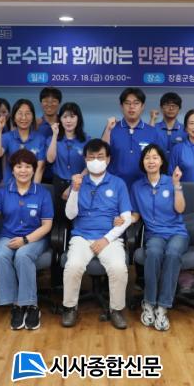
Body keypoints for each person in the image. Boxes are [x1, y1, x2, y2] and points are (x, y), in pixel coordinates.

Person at [62, 139, 132, 330]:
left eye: (100, 157)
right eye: (91, 157)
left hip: (109, 238)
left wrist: (106, 239)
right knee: (73, 265)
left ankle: (116, 310)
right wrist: (75, 190)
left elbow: (126, 218)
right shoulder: (78, 182)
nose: (95, 161)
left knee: (118, 267)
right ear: (85, 160)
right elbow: (70, 215)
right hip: (81, 236)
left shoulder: (118, 183)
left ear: (108, 159)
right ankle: (70, 308)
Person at [0, 149, 53, 330]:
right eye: (19, 167)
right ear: (12, 170)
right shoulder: (3, 192)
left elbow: (46, 226)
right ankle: (16, 305)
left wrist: (25, 240)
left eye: (28, 167)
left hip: (35, 238)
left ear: (34, 170)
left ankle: (31, 305)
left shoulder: (43, 193)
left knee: (22, 255)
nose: (23, 170)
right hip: (8, 236)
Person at [130, 144, 188, 331]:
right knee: (153, 252)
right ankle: (149, 303)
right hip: (154, 233)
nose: (151, 161)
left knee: (172, 253)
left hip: (177, 232)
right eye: (147, 157)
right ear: (142, 162)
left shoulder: (171, 181)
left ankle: (163, 307)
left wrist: (177, 186)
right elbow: (136, 214)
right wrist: (125, 220)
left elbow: (180, 209)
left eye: (155, 157)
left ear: (162, 161)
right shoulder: (137, 186)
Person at [102, 87, 164, 187]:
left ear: (142, 106)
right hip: (114, 186)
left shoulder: (152, 132)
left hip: (144, 187)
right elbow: (102, 155)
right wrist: (108, 130)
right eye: (127, 103)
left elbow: (159, 161)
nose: (131, 107)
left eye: (136, 103)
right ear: (121, 106)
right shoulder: (112, 128)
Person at [46, 102, 90, 219]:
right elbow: (50, 159)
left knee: (77, 219)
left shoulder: (86, 140)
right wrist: (55, 135)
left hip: (79, 184)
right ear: (60, 120)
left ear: (78, 119)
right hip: (58, 184)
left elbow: (89, 166)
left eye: (72, 116)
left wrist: (72, 186)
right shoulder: (52, 139)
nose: (68, 121)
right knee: (59, 221)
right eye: (65, 117)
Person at [0, 99, 46, 183]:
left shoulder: (40, 139)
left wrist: (34, 189)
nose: (24, 117)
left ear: (33, 117)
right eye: (20, 113)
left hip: (31, 186)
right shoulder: (7, 137)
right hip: (9, 186)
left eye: (27, 113)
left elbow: (40, 168)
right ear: (14, 117)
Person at [148, 92, 187, 156]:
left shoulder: (185, 129)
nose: (171, 108)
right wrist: (152, 119)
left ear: (179, 109)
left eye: (174, 106)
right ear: (161, 108)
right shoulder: (154, 127)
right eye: (167, 105)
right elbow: (147, 142)